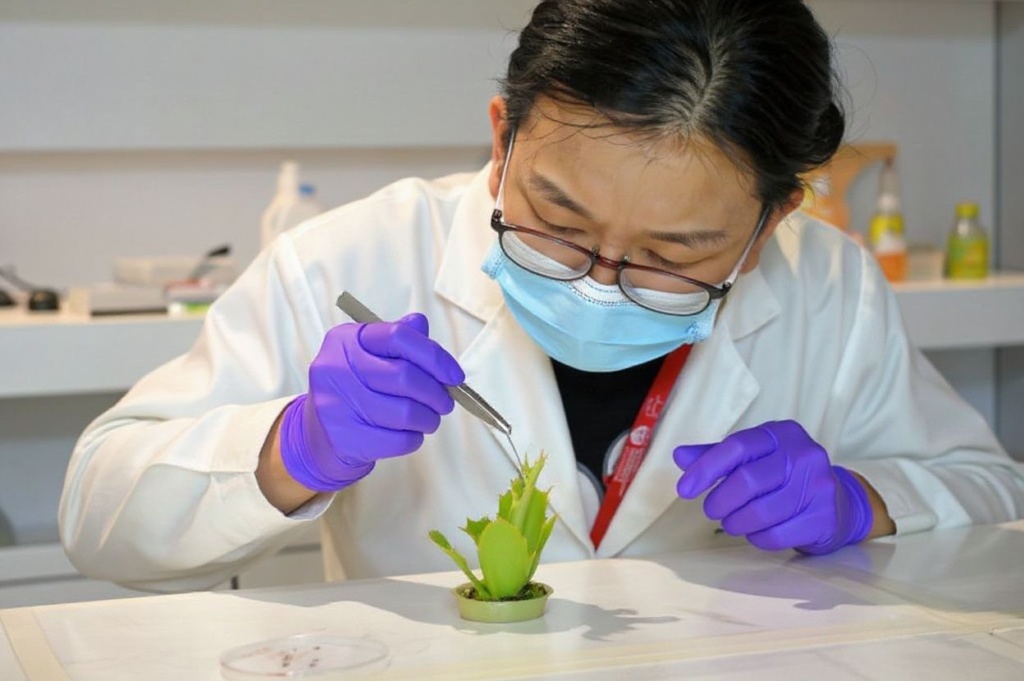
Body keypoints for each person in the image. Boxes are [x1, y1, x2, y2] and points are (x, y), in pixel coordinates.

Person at [61, 0, 1024, 592]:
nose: (601, 282)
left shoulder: (828, 284)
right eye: (558, 223)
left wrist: (864, 503)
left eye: (671, 255)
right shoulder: (352, 257)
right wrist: (291, 447)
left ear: (772, 220)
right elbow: (98, 514)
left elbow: (995, 493)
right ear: (502, 138)